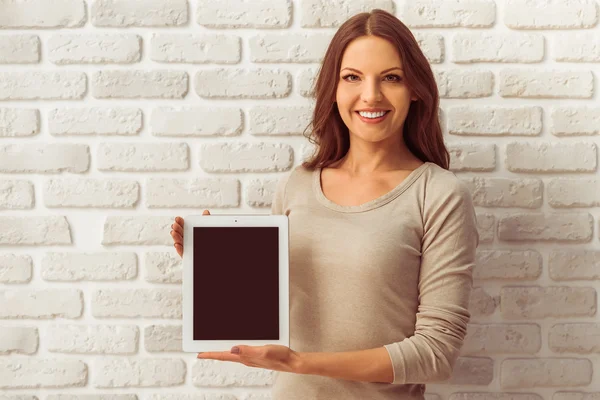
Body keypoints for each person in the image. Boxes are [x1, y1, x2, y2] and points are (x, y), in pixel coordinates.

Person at [170, 8, 479, 400]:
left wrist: (301, 363)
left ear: (415, 89)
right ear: (334, 87)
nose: (371, 95)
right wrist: (219, 269)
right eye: (352, 77)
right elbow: (276, 312)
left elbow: (436, 353)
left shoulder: (438, 195)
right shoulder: (298, 184)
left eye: (391, 78)